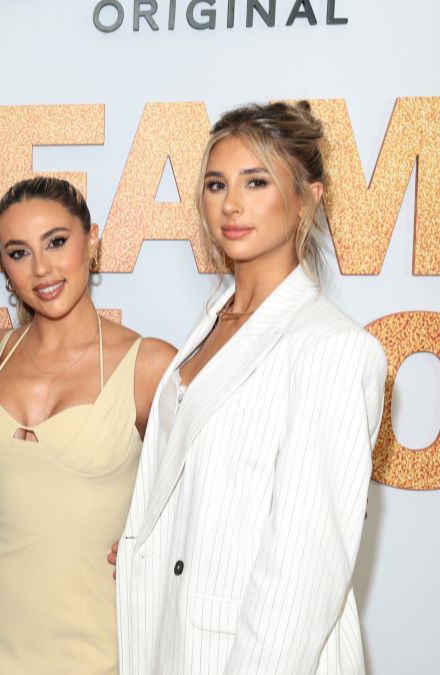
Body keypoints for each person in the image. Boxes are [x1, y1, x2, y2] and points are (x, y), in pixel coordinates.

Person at [114, 101, 388, 674]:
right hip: (170, 638)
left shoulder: (333, 349)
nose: (231, 204)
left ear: (308, 197)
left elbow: (303, 573)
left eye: (255, 182)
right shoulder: (211, 325)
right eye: (216, 184)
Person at [0, 177, 175, 674]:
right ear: (4, 268)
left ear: (91, 241)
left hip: (86, 642)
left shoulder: (148, 365)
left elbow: (214, 489)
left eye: (56, 241)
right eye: (19, 252)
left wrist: (158, 546)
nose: (42, 268)